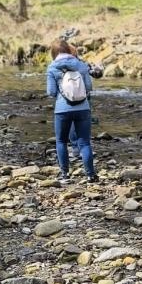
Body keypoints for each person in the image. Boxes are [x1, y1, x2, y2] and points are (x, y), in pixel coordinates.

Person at [46, 38, 97, 184]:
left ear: (54, 53)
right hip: (83, 108)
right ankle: (90, 175)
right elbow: (88, 87)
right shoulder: (81, 66)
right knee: (85, 143)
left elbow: (51, 91)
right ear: (69, 50)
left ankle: (65, 175)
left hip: (62, 109)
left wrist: (61, 97)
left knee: (61, 141)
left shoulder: (52, 67)